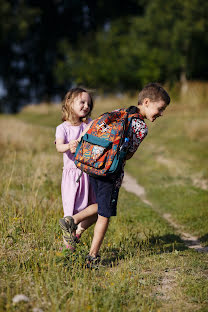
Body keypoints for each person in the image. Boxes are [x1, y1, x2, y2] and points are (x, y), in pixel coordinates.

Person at [59, 83, 170, 265]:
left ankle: (75, 225)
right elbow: (129, 154)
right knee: (105, 213)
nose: (161, 113)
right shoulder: (141, 127)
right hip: (110, 172)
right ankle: (91, 254)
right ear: (147, 102)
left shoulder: (120, 111)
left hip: (93, 165)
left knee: (100, 206)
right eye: (160, 109)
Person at [55, 87, 97, 250]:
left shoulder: (88, 125)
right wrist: (68, 146)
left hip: (89, 174)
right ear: (69, 103)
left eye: (89, 103)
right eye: (82, 102)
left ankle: (78, 231)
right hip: (72, 177)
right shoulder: (63, 128)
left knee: (96, 210)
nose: (86, 106)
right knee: (70, 212)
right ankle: (68, 253)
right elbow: (59, 146)